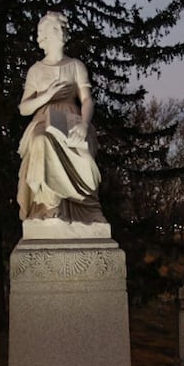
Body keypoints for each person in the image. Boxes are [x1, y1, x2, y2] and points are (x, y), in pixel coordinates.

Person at [16, 11, 108, 224]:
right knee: (41, 141)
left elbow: (86, 100)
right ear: (44, 36)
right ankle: (49, 205)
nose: (62, 31)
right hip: (43, 120)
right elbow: (24, 108)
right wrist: (46, 96)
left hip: (72, 120)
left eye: (63, 27)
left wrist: (84, 124)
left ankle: (89, 208)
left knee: (82, 147)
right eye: (56, 28)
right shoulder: (36, 70)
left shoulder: (76, 66)